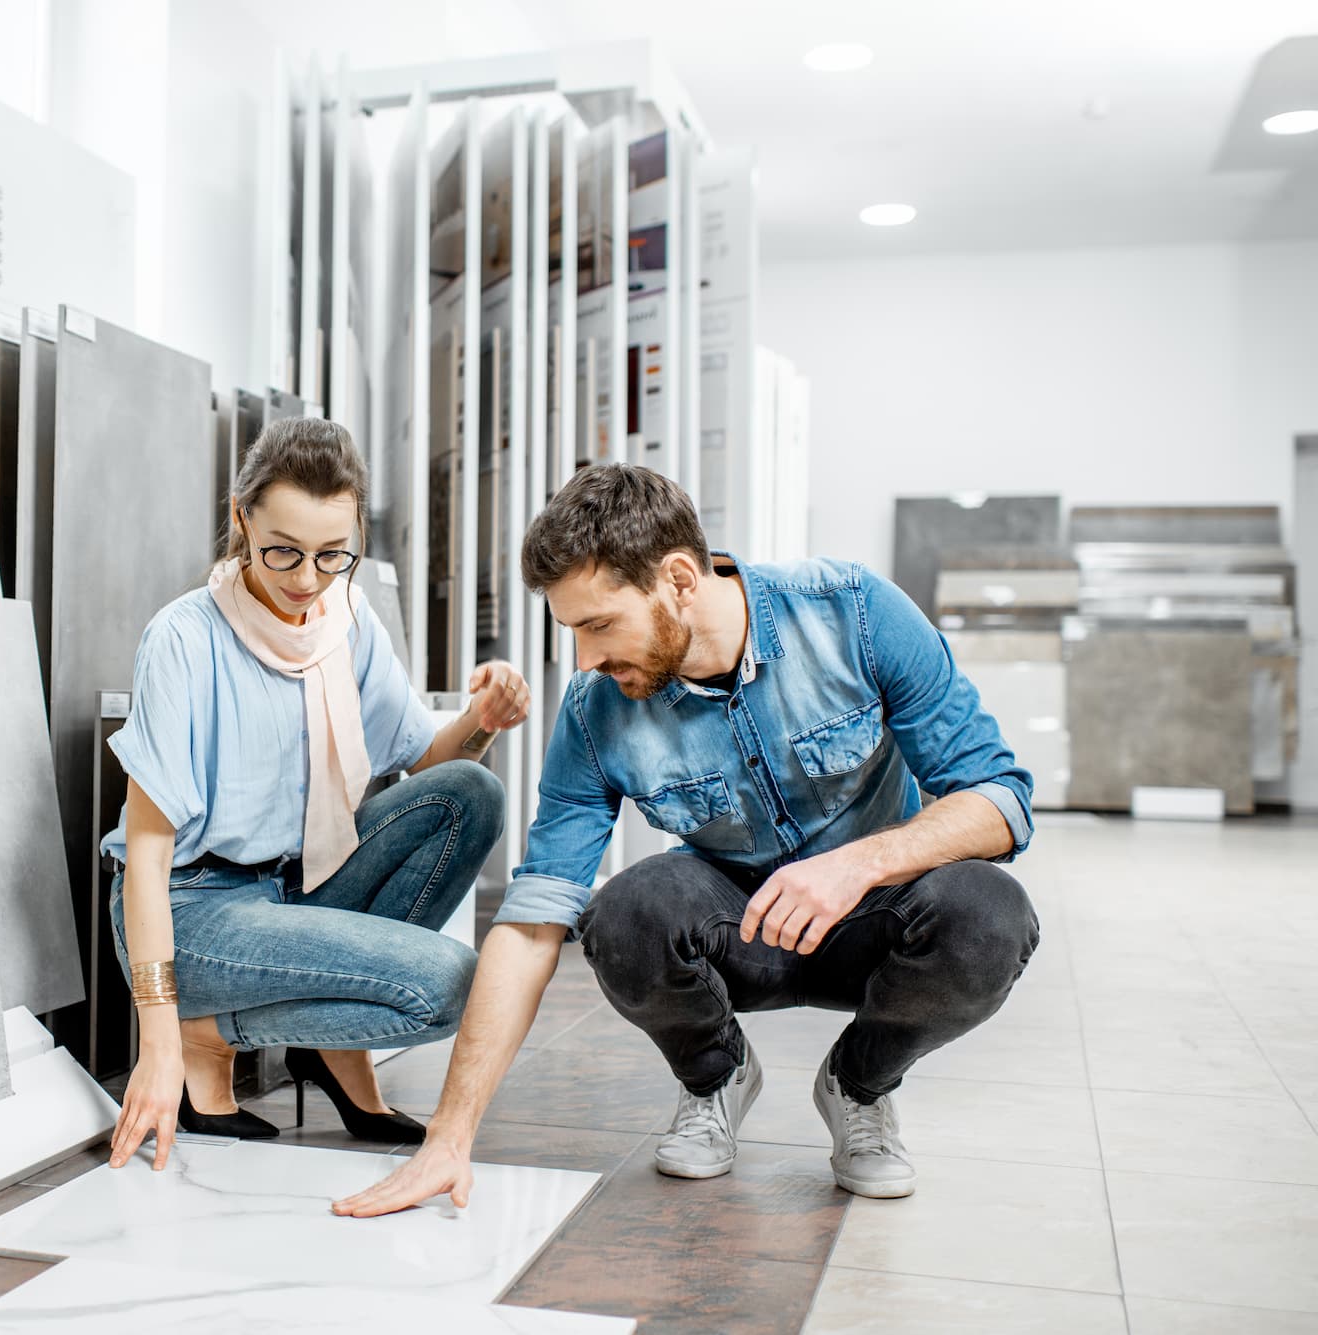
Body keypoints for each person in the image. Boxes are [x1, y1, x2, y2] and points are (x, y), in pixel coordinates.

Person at [335, 463, 1041, 1213]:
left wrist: (858, 863)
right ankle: (717, 1077)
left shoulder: (855, 614)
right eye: (572, 630)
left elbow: (1000, 798)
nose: (585, 659)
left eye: (599, 625)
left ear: (677, 578)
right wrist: (448, 1136)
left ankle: (860, 1085)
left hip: (877, 915)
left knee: (989, 916)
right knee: (624, 915)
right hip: (739, 927)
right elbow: (533, 917)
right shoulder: (594, 709)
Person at [104, 417, 535, 1172]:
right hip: (192, 907)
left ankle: (321, 1042)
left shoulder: (345, 617)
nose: (306, 579)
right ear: (241, 519)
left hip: (292, 884)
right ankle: (214, 1033)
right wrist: (160, 1036)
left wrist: (480, 720)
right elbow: (147, 855)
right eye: (282, 551)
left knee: (470, 791)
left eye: (333, 555)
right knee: (452, 982)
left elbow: (424, 761)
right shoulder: (182, 638)